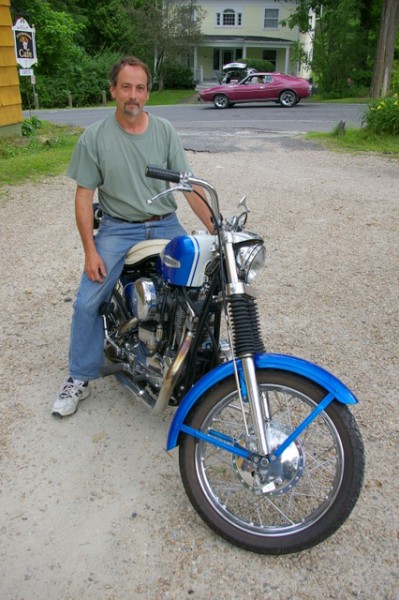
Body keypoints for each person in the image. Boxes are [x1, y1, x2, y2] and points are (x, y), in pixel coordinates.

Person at [52, 56, 213, 417]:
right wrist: (89, 250)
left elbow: (186, 186)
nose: (133, 95)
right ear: (113, 90)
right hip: (118, 226)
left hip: (165, 221)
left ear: (147, 93)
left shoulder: (165, 131)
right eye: (125, 87)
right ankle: (79, 375)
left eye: (139, 88)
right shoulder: (95, 137)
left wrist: (215, 225)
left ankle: (195, 360)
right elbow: (83, 197)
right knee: (86, 302)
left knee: (202, 283)